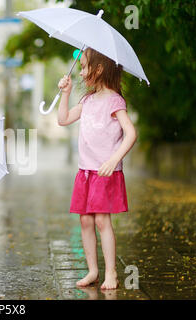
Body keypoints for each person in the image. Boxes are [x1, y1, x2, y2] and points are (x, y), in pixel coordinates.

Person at [57, 48, 137, 290]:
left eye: (84, 67)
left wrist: (114, 160)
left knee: (102, 220)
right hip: (85, 171)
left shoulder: (114, 100)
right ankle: (93, 270)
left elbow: (131, 133)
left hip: (104, 171)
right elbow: (63, 120)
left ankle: (111, 272)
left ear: (99, 69)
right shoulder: (87, 100)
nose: (81, 72)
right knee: (85, 221)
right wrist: (65, 94)